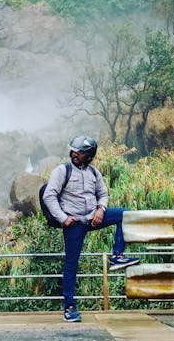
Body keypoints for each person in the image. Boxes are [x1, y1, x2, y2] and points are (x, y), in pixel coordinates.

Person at [41, 135, 140, 323]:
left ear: (89, 155)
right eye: (73, 150)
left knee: (125, 214)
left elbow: (103, 194)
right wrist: (63, 218)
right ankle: (70, 307)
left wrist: (101, 209)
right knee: (71, 264)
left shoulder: (94, 173)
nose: (74, 154)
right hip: (74, 223)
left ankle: (117, 256)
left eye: (79, 152)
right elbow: (49, 196)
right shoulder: (62, 171)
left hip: (93, 218)